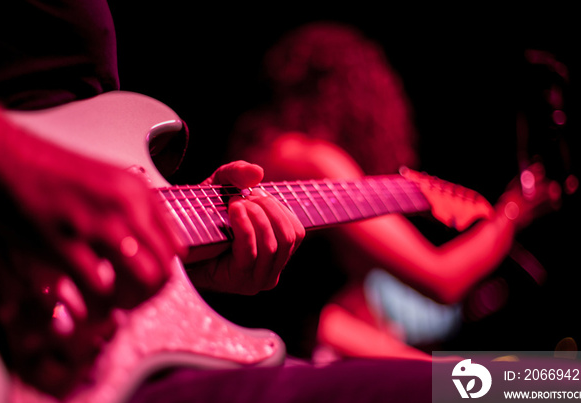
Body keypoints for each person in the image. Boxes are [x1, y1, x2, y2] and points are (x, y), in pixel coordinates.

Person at [0, 4, 581, 403]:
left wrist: (185, 259)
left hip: (97, 347)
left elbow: (99, 190)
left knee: (564, 384)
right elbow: (439, 278)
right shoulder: (308, 154)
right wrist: (10, 160)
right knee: (567, 387)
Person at [224, 22, 563, 361]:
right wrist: (513, 212)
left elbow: (309, 320)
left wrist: (429, 368)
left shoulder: (264, 153)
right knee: (561, 389)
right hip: (262, 371)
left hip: (257, 353)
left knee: (487, 386)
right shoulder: (315, 161)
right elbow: (442, 278)